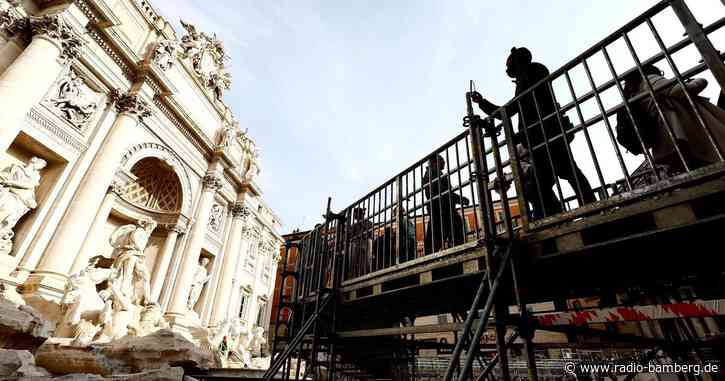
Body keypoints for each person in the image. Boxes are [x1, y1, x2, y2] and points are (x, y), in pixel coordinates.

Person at [471, 47, 596, 219]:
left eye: (510, 63)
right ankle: (556, 216)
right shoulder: (526, 78)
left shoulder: (533, 72)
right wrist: (482, 103)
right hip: (537, 138)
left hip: (548, 134)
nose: (507, 68)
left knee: (568, 173)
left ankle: (591, 209)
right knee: (541, 184)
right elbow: (512, 110)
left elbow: (511, 109)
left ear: (519, 61)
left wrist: (483, 103)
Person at [627, 64, 725, 173]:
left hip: (667, 139)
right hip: (681, 133)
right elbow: (683, 90)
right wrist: (700, 80)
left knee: (702, 172)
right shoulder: (649, 80)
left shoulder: (634, 94)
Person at [423, 154, 469, 255]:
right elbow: (443, 191)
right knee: (439, 236)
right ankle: (459, 252)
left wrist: (458, 199)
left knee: (438, 236)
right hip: (441, 209)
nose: (444, 163)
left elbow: (445, 191)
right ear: (434, 162)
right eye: (442, 160)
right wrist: (460, 199)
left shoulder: (434, 173)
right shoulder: (432, 172)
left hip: (442, 209)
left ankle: (457, 251)